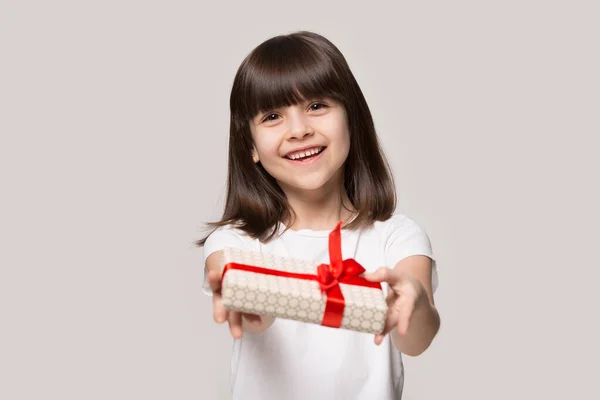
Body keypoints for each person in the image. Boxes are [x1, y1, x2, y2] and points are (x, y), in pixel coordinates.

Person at [197, 31, 440, 400]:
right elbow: (250, 310)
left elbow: (416, 340)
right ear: (251, 147)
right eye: (273, 116)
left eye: (316, 106)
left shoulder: (398, 237)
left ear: (351, 120)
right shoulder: (235, 241)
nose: (299, 130)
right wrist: (247, 303)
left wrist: (414, 304)